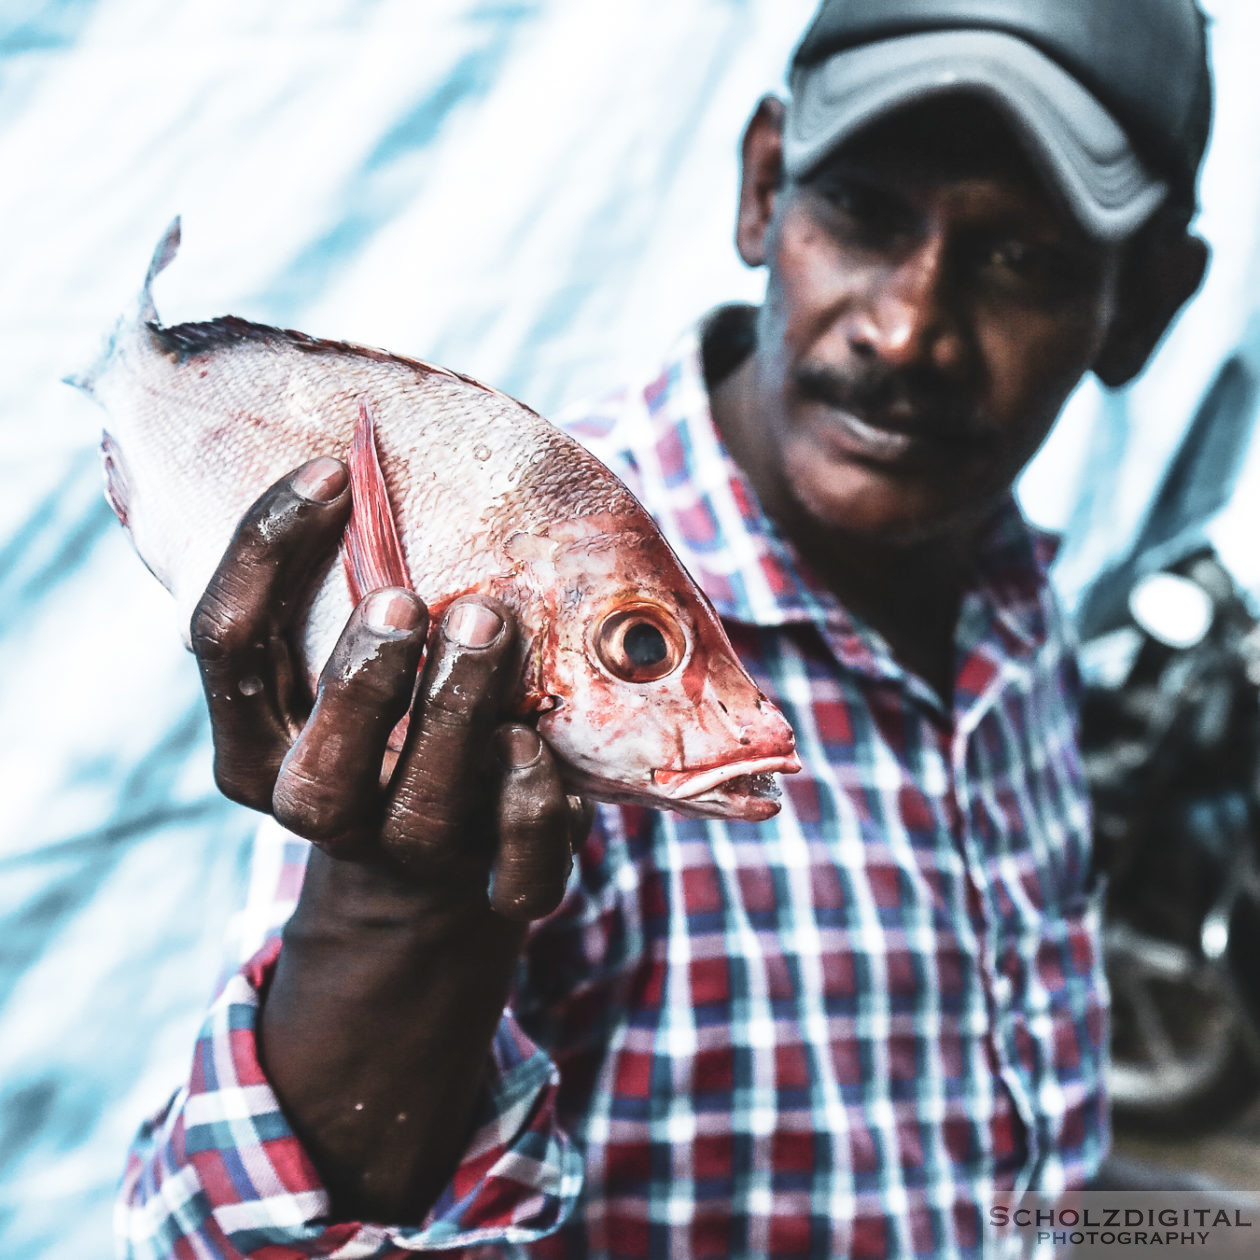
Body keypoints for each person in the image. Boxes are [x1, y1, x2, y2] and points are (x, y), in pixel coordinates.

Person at [117, 0, 1214, 1256]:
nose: (907, 328)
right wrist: (393, 925)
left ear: (1145, 309)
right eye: (858, 210)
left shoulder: (1018, 608)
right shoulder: (511, 618)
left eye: (1024, 261)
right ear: (761, 191)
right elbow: (196, 1240)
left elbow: (1001, 1170)